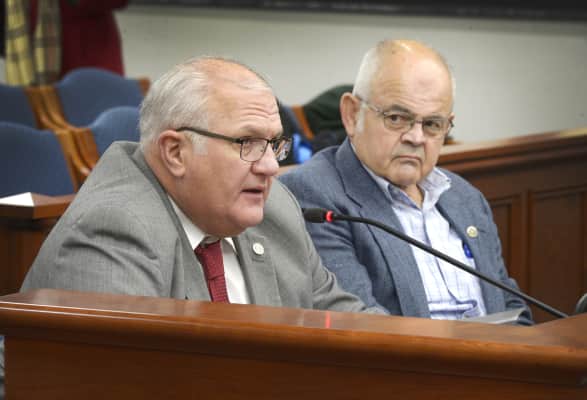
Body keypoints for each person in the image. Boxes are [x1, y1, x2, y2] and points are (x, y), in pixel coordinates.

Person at [20, 56, 381, 315]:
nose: (271, 166)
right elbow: (125, 381)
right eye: (247, 143)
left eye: (274, 144)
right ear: (175, 152)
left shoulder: (276, 209)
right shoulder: (113, 230)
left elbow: (345, 321)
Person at [279, 39, 533, 325]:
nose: (416, 137)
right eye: (397, 118)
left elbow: (512, 307)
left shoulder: (465, 197)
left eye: (432, 124)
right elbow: (359, 324)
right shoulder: (315, 194)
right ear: (351, 115)